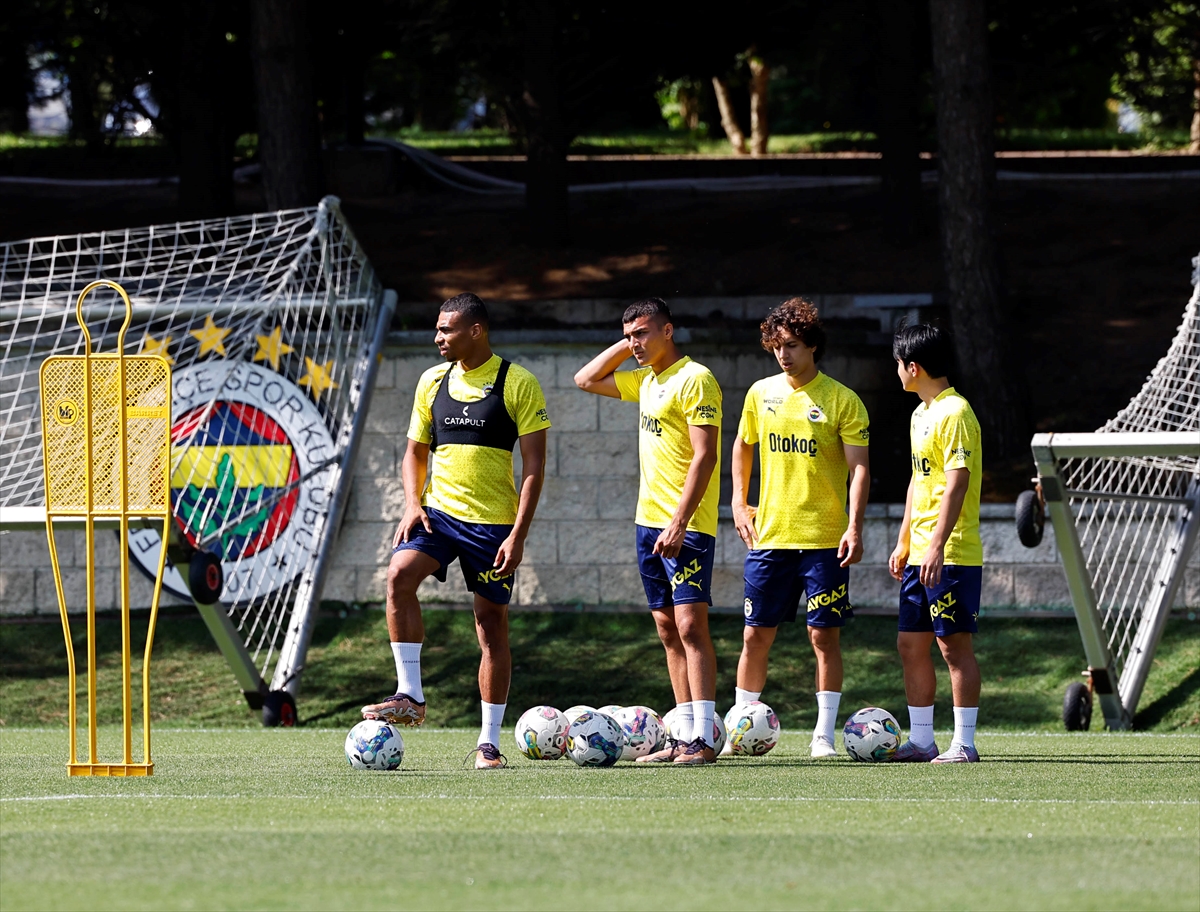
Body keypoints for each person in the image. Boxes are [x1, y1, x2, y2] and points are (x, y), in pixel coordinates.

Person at [362, 293, 550, 769]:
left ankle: (488, 743)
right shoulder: (432, 381)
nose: (437, 338)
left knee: (490, 626)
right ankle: (410, 693)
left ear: (476, 331)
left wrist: (518, 534)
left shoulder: (518, 382)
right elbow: (414, 453)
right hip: (438, 515)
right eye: (438, 328)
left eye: (447, 329)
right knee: (399, 574)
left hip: (493, 526)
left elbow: (534, 466)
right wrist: (412, 502)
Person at [574, 298, 723, 765]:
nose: (634, 343)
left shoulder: (695, 378)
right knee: (666, 627)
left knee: (690, 625)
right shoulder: (646, 381)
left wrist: (679, 521)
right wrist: (629, 345)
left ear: (668, 331)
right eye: (628, 335)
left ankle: (703, 739)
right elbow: (585, 379)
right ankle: (682, 735)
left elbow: (705, 455)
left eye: (642, 333)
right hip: (647, 523)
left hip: (686, 524)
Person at [730, 298, 870, 759]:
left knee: (823, 637)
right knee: (755, 635)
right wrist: (738, 500)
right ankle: (739, 730)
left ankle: (823, 735)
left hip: (825, 540)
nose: (783, 354)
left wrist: (854, 526)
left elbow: (860, 470)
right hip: (770, 537)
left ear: (812, 345)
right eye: (776, 346)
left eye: (791, 345)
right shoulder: (760, 393)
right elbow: (742, 445)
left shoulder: (842, 399)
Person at [887, 323, 983, 763]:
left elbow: (956, 483)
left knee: (953, 647)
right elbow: (918, 480)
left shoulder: (956, 413)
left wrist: (938, 545)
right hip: (920, 552)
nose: (896, 372)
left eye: (898, 364)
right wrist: (905, 540)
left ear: (914, 367)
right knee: (910, 644)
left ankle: (964, 743)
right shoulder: (919, 414)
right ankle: (923, 741)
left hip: (951, 552)